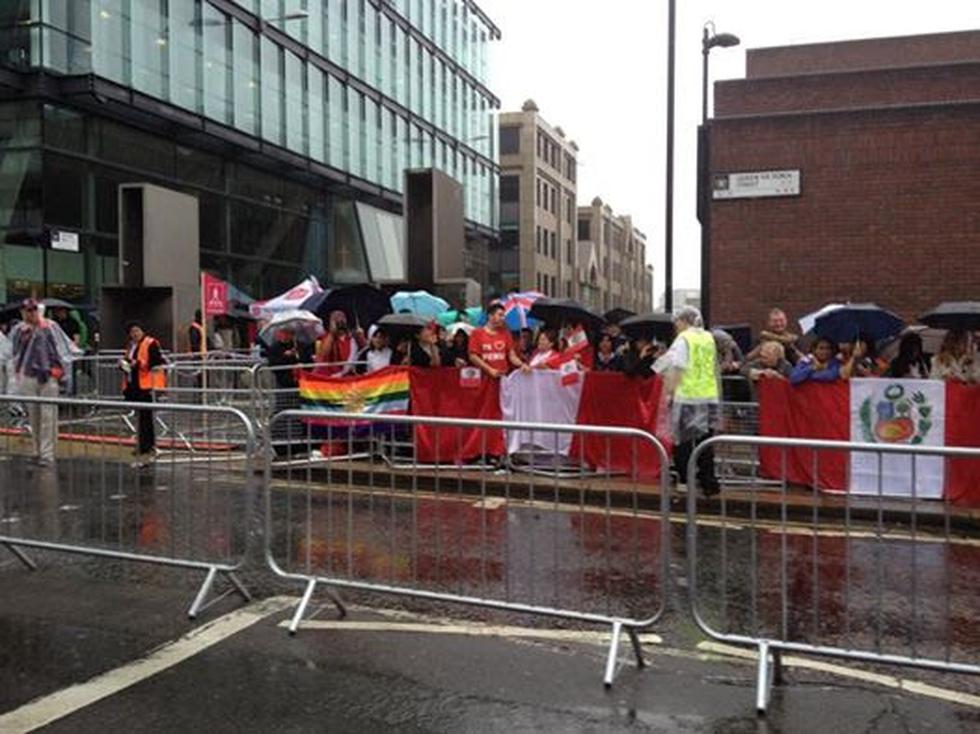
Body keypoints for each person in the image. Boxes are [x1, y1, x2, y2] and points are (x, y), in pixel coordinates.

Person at [653, 306, 720, 496]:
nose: (675, 326)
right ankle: (709, 481)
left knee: (682, 442)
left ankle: (684, 479)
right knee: (705, 441)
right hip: (708, 396)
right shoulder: (708, 338)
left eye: (677, 322)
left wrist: (668, 392)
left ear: (683, 321)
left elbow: (677, 368)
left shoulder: (684, 339)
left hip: (687, 397)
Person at [11, 299, 64, 466]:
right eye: (27, 310)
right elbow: (12, 351)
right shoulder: (19, 330)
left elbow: (61, 349)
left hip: (48, 376)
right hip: (28, 376)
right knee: (34, 416)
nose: (30, 313)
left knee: (48, 416)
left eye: (33, 310)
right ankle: (37, 450)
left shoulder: (50, 327)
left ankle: (47, 454)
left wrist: (58, 371)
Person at [121, 321, 166, 466]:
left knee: (146, 416)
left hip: (146, 385)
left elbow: (156, 361)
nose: (135, 334)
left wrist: (138, 364)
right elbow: (127, 360)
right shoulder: (130, 345)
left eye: (137, 331)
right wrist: (123, 364)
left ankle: (147, 445)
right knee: (140, 416)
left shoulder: (150, 343)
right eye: (132, 332)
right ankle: (143, 444)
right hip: (134, 384)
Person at [469, 302, 530, 378]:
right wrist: (489, 369)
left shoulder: (506, 333)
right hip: (483, 378)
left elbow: (512, 356)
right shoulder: (476, 333)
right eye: (500, 315)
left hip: (502, 377)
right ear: (490, 316)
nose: (503, 318)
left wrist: (522, 364)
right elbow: (473, 356)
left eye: (504, 315)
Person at [315, 310, 365, 376]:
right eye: (336, 318)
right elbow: (324, 355)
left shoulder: (353, 337)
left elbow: (365, 350)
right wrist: (332, 334)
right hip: (332, 376)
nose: (340, 320)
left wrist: (361, 337)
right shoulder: (326, 337)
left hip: (349, 376)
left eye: (342, 318)